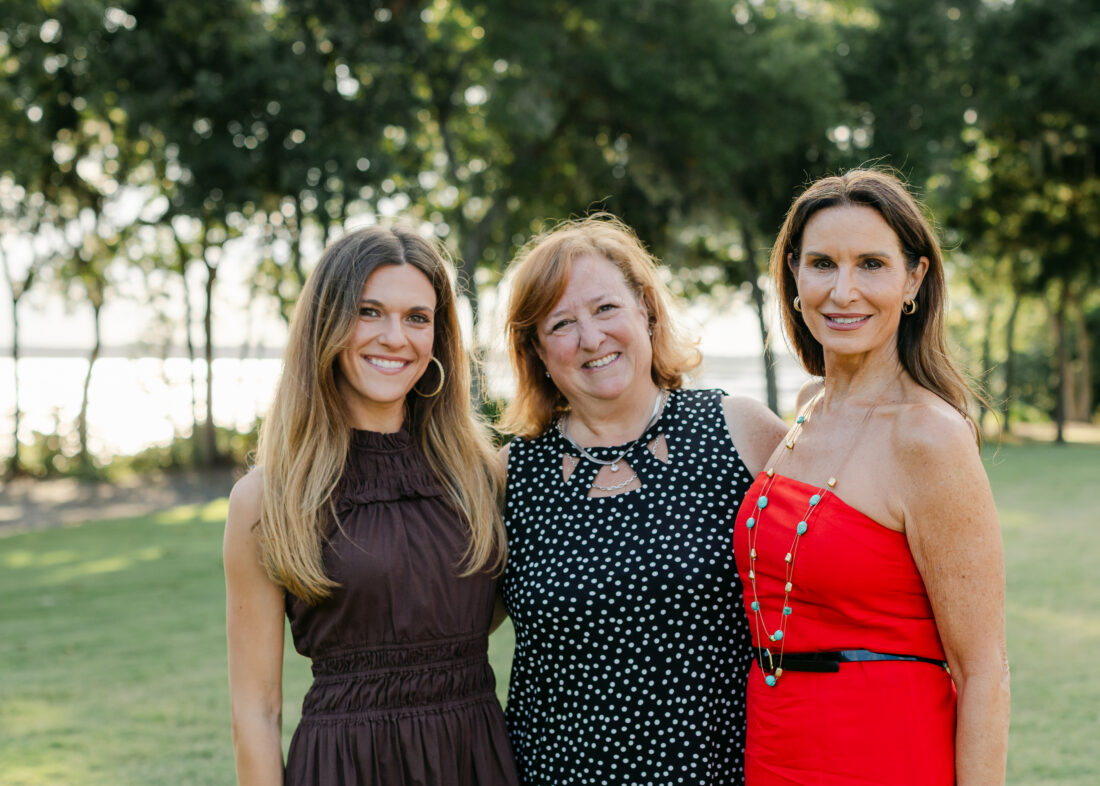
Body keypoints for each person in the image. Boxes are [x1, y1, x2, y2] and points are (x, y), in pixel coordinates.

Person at [735, 169, 1010, 784]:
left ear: (913, 278)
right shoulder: (808, 406)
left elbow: (984, 668)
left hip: (880, 749)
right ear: (795, 278)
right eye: (823, 263)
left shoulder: (928, 437)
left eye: (872, 265)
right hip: (776, 742)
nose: (843, 291)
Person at [497, 214, 788, 785]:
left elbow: (837, 573)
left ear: (646, 312)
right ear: (536, 349)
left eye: (606, 308)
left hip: (717, 773)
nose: (590, 337)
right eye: (561, 323)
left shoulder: (738, 430)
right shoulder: (511, 475)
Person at [223, 226, 519, 785]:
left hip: (472, 760)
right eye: (368, 311)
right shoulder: (268, 498)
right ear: (326, 325)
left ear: (439, 336)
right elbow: (255, 713)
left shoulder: (482, 476)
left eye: (417, 317)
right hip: (346, 767)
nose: (394, 337)